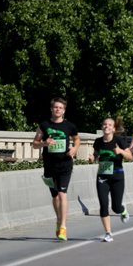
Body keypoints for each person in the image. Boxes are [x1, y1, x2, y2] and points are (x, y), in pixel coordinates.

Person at [32, 97, 80, 241]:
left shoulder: (69, 126)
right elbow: (34, 143)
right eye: (55, 107)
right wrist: (44, 144)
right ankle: (58, 219)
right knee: (54, 196)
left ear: (64, 111)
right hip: (49, 164)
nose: (58, 110)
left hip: (65, 164)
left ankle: (63, 226)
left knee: (62, 194)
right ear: (51, 109)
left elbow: (77, 139)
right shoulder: (44, 125)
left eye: (60, 108)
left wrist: (74, 149)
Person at [90, 118, 133, 242]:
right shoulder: (98, 141)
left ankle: (122, 209)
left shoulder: (119, 140)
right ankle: (108, 233)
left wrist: (120, 151)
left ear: (113, 128)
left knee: (116, 207)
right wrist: (92, 158)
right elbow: (96, 154)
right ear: (102, 127)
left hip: (117, 176)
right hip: (102, 176)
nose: (106, 126)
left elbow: (130, 157)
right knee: (103, 205)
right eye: (104, 124)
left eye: (109, 125)